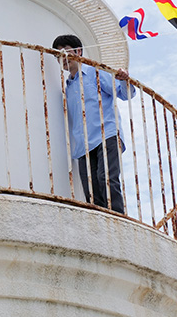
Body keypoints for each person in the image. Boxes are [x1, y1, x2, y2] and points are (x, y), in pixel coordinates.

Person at [52, 34, 133, 214]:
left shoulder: (96, 72)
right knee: (91, 190)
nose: (62, 58)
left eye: (65, 52)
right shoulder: (68, 87)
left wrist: (124, 79)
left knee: (107, 179)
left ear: (78, 52)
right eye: (58, 55)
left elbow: (123, 93)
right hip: (83, 145)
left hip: (107, 134)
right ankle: (101, 223)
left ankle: (119, 218)